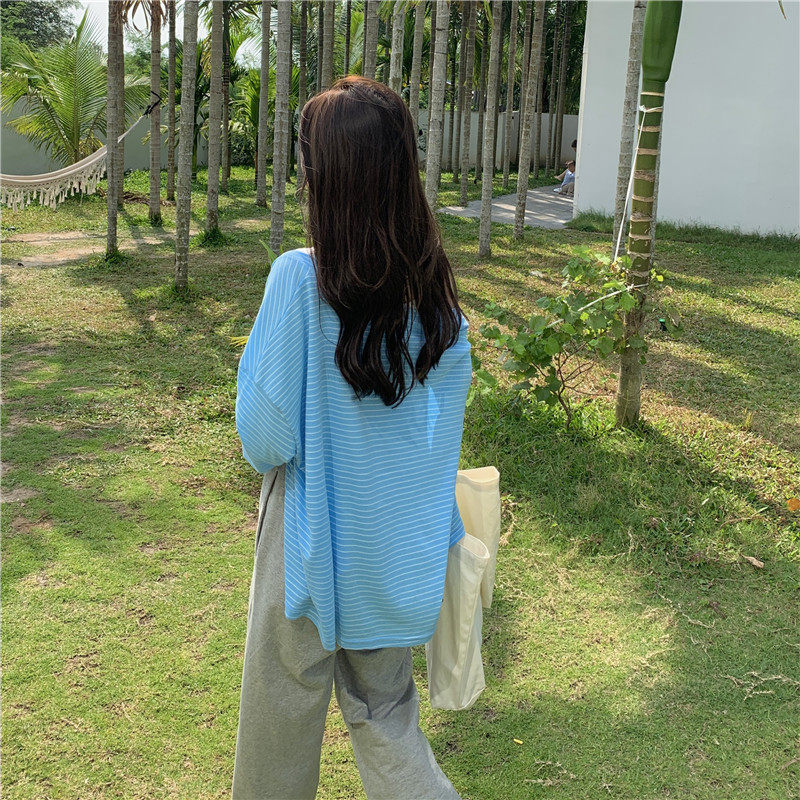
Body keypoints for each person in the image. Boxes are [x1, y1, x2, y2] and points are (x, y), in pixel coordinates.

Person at [231, 76, 470, 800]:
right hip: (399, 552)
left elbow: (263, 440)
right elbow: (435, 450)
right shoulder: (440, 308)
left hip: (307, 547)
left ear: (325, 179)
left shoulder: (298, 281)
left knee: (279, 719)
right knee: (386, 715)